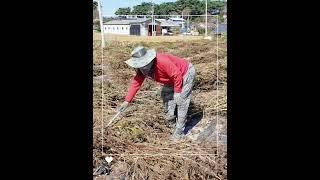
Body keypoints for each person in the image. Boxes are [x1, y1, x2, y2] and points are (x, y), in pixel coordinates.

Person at [118, 46, 196, 141]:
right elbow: (136, 83)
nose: (143, 68)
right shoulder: (142, 69)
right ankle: (171, 120)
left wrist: (177, 92)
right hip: (170, 79)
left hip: (184, 73)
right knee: (165, 95)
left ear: (150, 60)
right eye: (140, 65)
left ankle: (179, 131)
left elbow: (176, 75)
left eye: (144, 65)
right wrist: (127, 101)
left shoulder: (162, 61)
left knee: (181, 102)